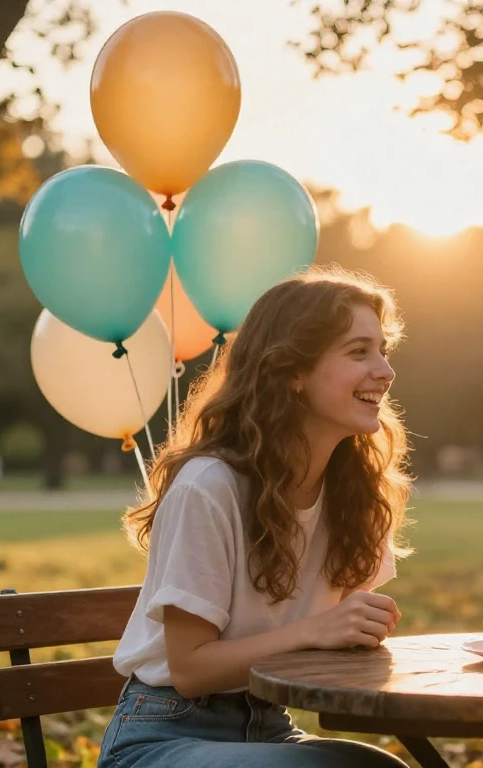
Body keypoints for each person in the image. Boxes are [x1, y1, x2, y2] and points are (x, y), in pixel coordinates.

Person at [97, 267, 411, 768]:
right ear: (292, 371)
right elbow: (191, 669)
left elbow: (337, 637)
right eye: (358, 352)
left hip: (268, 729)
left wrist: (352, 635)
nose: (385, 371)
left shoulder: (353, 493)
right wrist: (317, 631)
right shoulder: (208, 486)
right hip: (162, 738)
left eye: (383, 351)